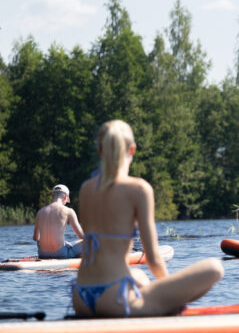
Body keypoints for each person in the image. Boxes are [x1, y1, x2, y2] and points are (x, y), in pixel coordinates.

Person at [72, 120, 223, 317]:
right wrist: (170, 292)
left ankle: (152, 301)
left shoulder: (86, 188)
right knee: (215, 268)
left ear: (100, 151)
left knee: (139, 276)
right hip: (115, 300)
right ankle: (164, 307)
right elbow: (153, 259)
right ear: (132, 150)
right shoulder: (139, 189)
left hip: (81, 298)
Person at [33, 184, 85, 259]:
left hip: (42, 254)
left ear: (52, 196)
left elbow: (36, 238)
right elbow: (81, 236)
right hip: (61, 254)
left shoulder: (40, 212)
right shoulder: (68, 211)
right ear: (65, 197)